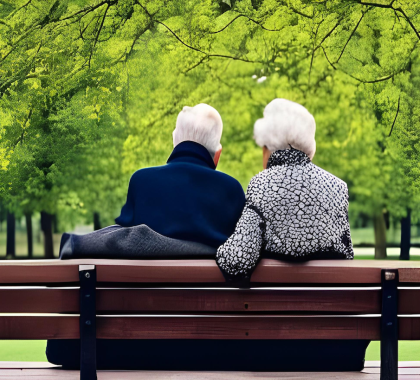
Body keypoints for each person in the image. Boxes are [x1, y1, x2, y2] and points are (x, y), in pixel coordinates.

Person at [47, 103, 246, 369]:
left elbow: (121, 240)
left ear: (174, 142)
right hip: (211, 342)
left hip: (136, 340)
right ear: (217, 155)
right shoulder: (231, 191)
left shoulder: (142, 181)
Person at [216, 98, 369, 371]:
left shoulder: (261, 184)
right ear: (309, 145)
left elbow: (237, 259)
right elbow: (346, 257)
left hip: (270, 344)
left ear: (268, 147)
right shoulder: (337, 187)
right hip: (334, 346)